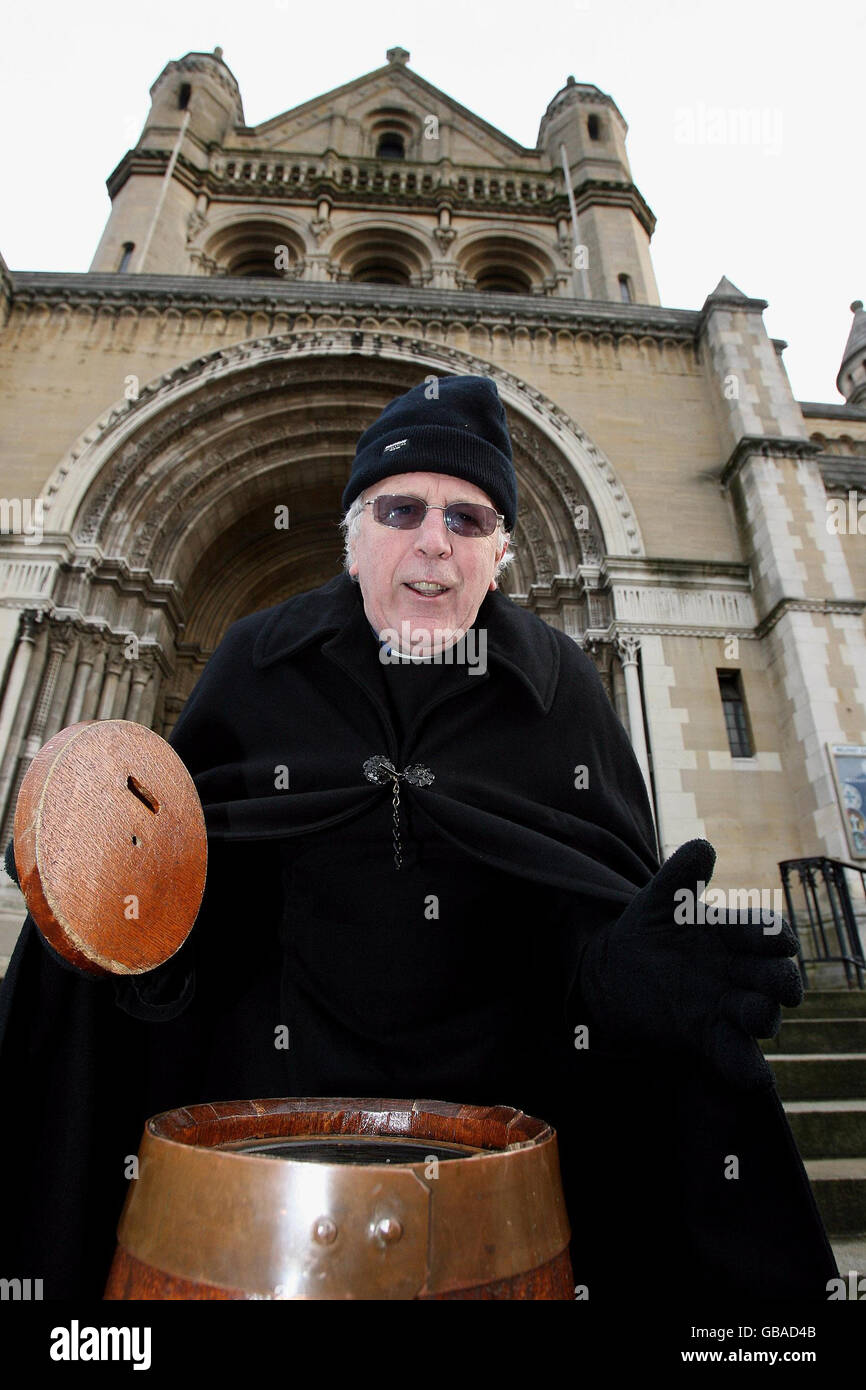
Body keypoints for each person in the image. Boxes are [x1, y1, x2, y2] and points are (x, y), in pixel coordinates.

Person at [0, 374, 837, 1301]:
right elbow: (190, 881)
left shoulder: (560, 688)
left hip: (497, 1144)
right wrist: (119, 914)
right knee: (57, 971)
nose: (435, 541)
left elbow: (587, 893)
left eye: (469, 519)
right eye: (401, 509)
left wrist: (621, 979)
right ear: (352, 541)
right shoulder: (257, 655)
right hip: (260, 1132)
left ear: (503, 551)